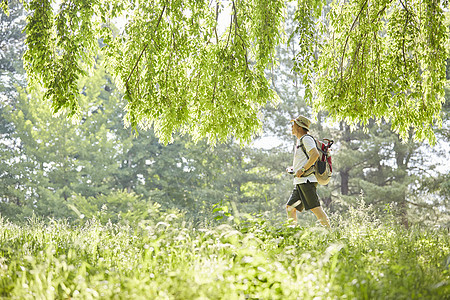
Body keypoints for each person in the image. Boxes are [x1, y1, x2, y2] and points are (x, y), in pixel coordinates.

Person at [285, 115, 330, 227]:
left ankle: (331, 235)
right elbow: (306, 158)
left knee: (316, 209)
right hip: (300, 181)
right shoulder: (301, 140)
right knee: (290, 208)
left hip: (307, 181)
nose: (292, 127)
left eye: (294, 124)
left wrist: (303, 169)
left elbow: (314, 154)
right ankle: (292, 234)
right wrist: (295, 168)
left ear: (299, 127)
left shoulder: (306, 139)